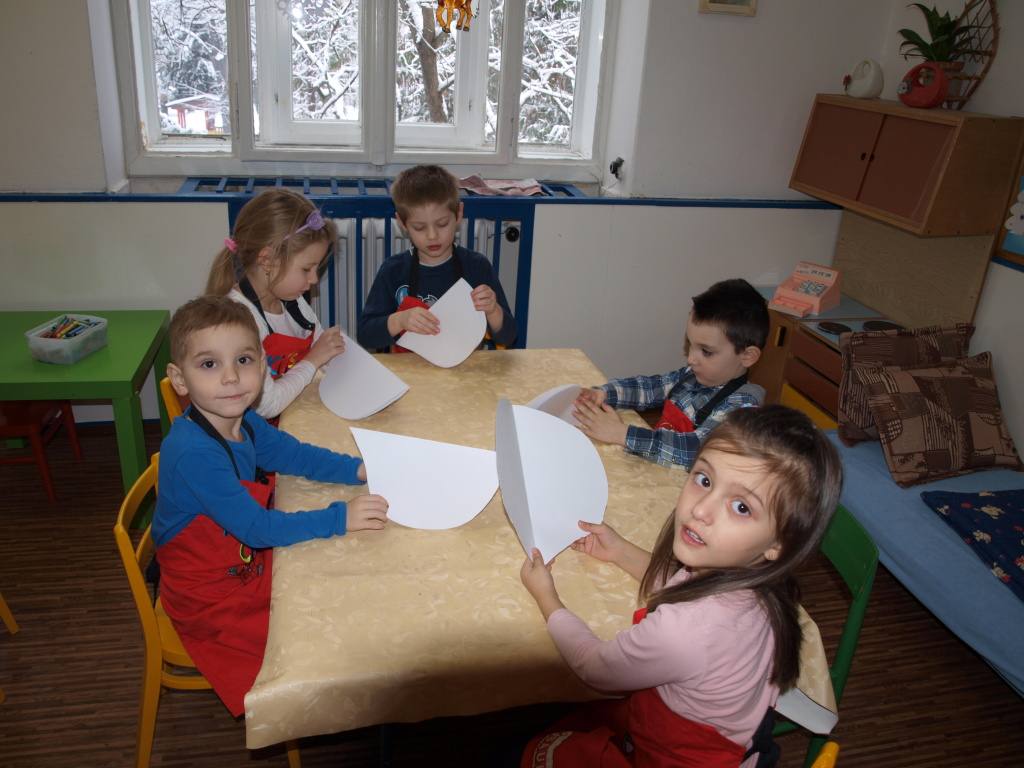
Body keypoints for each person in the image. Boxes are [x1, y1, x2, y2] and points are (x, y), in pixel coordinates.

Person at [519, 405, 842, 768]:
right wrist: (620, 552)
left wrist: (547, 597)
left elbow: (594, 667)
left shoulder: (684, 631)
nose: (701, 509)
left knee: (536, 746)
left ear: (779, 543)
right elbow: (683, 586)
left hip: (671, 756)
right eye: (704, 480)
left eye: (741, 507)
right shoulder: (761, 583)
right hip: (731, 742)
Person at [153, 296, 389, 717]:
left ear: (262, 366)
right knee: (312, 636)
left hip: (239, 559)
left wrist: (356, 469)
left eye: (243, 360)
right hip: (210, 594)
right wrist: (341, 517)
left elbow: (291, 454)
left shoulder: (241, 419)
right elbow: (258, 529)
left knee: (337, 587)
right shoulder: (193, 453)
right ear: (179, 379)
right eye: (209, 364)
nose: (230, 377)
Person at [573, 278, 769, 469]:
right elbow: (650, 387)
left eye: (706, 352)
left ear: (747, 356)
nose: (690, 359)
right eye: (690, 344)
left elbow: (697, 450)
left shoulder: (743, 407)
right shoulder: (692, 375)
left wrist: (622, 434)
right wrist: (604, 393)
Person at [207, 187, 346, 419]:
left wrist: (338, 356)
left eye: (317, 268)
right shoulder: (240, 323)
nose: (314, 280)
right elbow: (265, 406)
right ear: (267, 261)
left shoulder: (294, 302)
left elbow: (324, 355)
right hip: (257, 434)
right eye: (306, 269)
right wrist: (313, 359)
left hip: (294, 416)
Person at [356, 164, 517, 351]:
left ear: (458, 214)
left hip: (465, 367)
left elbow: (509, 337)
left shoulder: (477, 267)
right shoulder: (393, 271)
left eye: (442, 224)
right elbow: (365, 336)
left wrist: (493, 310)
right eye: (419, 227)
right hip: (410, 368)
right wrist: (399, 320)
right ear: (402, 223)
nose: (432, 236)